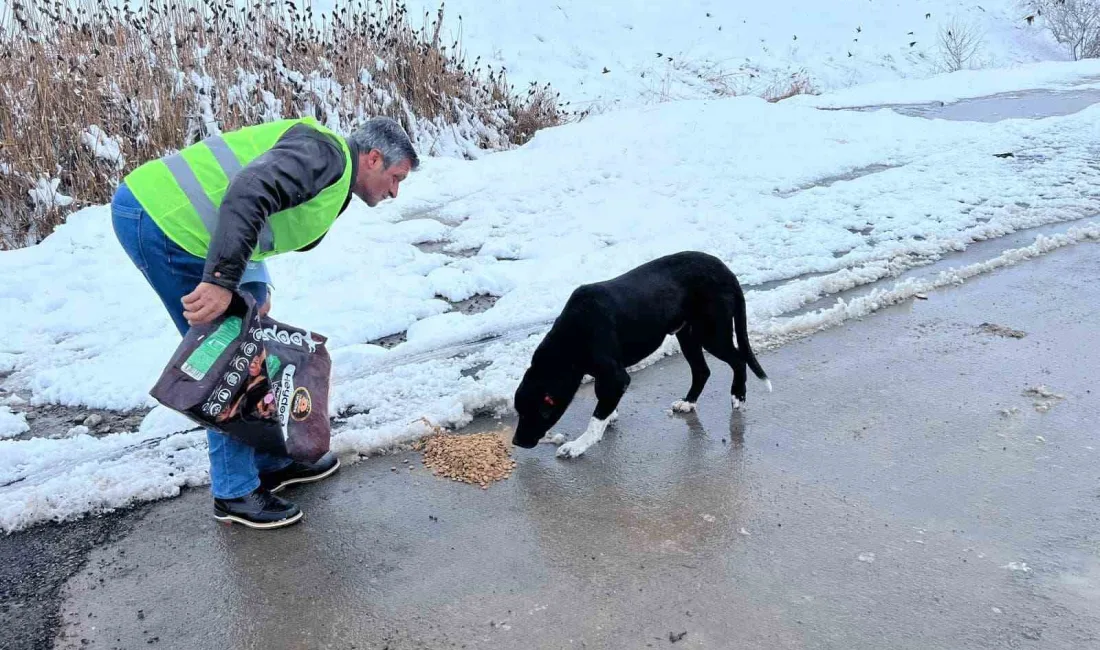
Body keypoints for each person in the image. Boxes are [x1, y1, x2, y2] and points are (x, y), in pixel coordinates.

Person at [111, 116, 419, 529]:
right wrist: (221, 282)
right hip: (165, 221)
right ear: (373, 158)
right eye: (396, 177)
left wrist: (253, 281)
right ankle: (235, 492)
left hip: (186, 225)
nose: (396, 192)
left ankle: (269, 461)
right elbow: (248, 192)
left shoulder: (332, 170)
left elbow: (261, 213)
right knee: (227, 357)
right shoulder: (325, 155)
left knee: (247, 340)